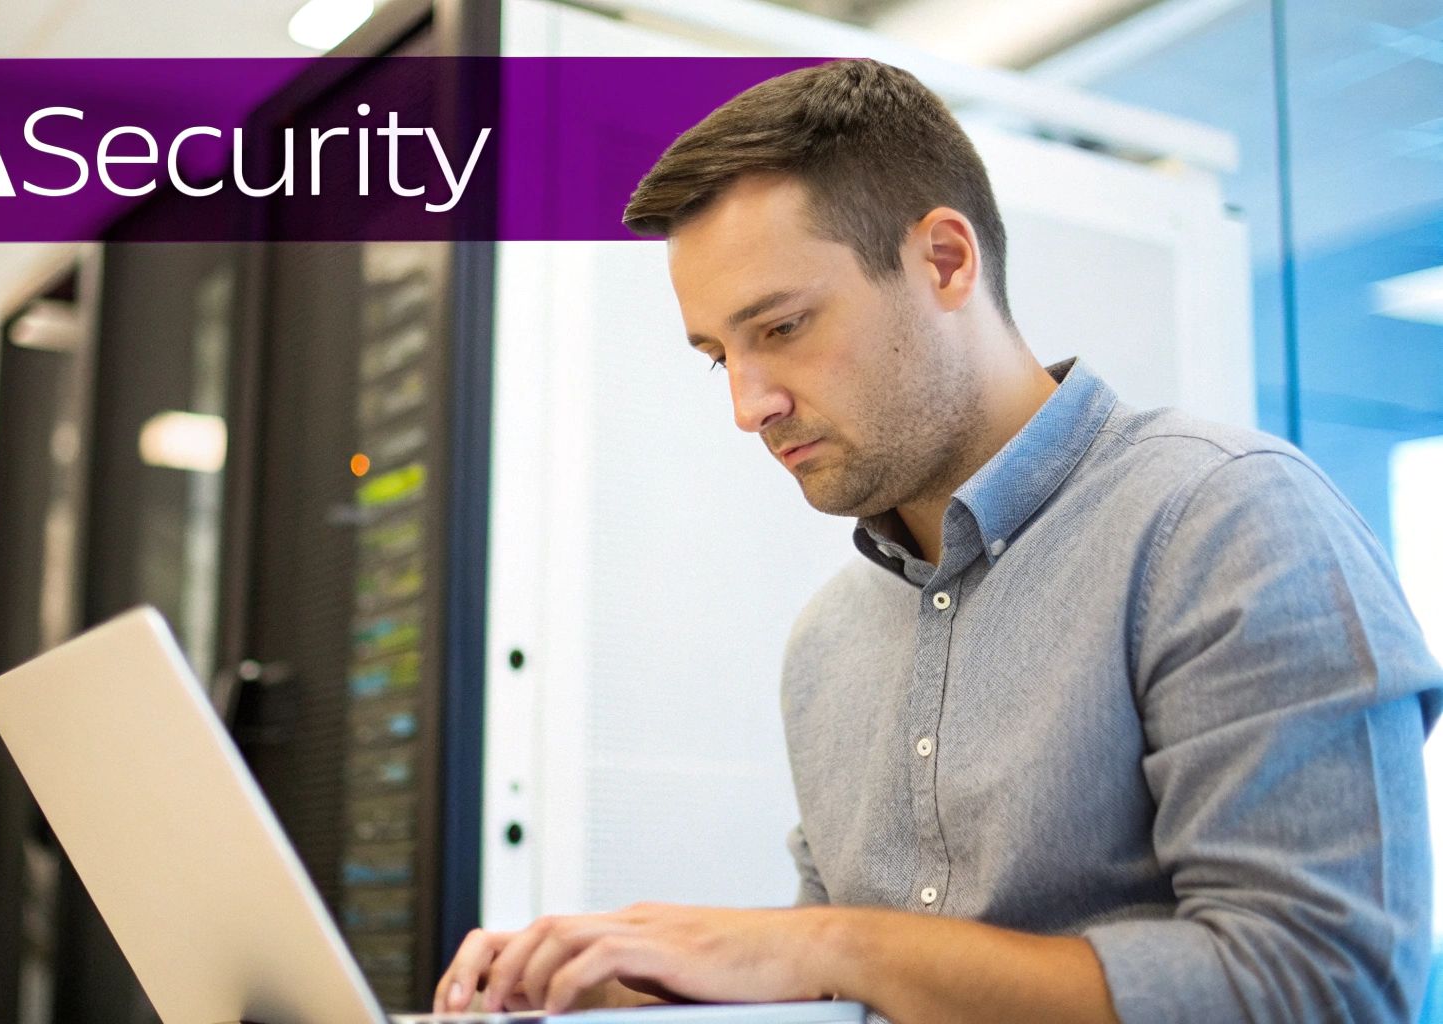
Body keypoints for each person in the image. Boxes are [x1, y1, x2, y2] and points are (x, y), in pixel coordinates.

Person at [432, 58, 1443, 1023]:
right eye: (716, 357)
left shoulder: (1227, 521)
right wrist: (636, 997)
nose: (748, 405)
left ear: (944, 260)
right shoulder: (826, 644)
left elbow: (1321, 989)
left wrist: (834, 943)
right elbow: (853, 998)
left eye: (779, 327)